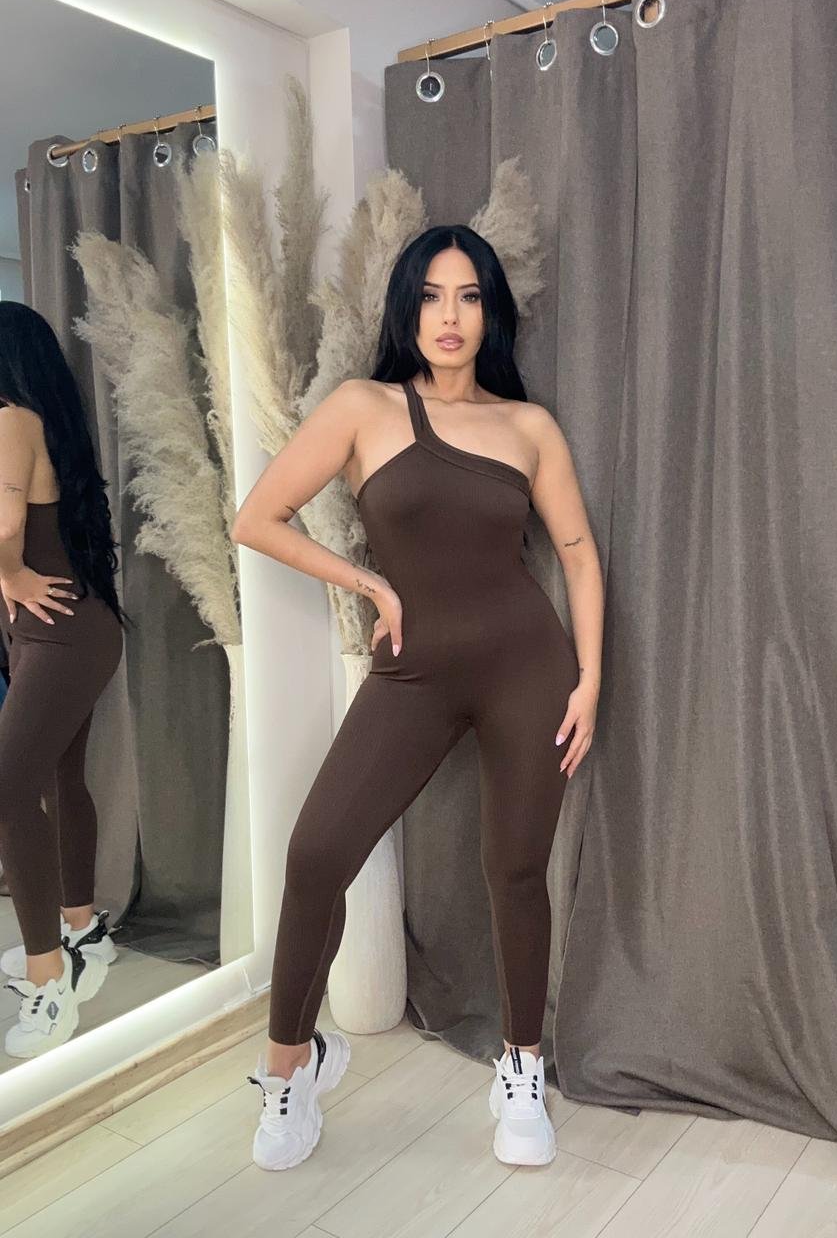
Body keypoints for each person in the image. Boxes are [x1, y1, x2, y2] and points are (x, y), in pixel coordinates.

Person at [231, 224, 604, 1172]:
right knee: (316, 854)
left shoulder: (528, 426)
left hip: (528, 667)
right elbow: (258, 518)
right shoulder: (363, 407)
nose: (450, 315)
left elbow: (575, 553)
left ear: (491, 313)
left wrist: (592, 677)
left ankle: (522, 1067)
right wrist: (366, 583)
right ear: (407, 308)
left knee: (515, 870)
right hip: (414, 670)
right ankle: (292, 1066)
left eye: (470, 296)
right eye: (433, 295)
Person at [0, 301, 128, 1058]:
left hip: (59, 634)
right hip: (72, 629)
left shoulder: (9, 418)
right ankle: (82, 931)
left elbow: (4, 524)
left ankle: (49, 982)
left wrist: (10, 574)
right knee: (58, 780)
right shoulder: (47, 419)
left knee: (8, 788)